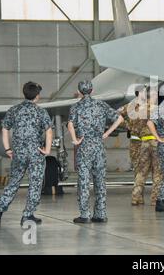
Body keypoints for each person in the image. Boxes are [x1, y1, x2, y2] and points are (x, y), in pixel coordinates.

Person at [0, 82, 52, 226]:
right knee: (35, 184)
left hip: (18, 154)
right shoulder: (41, 112)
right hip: (36, 154)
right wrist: (48, 150)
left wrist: (7, 149)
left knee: (13, 184)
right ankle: (27, 215)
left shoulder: (14, 110)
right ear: (37, 96)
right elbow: (49, 130)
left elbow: (5, 129)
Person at [68, 80, 124, 223]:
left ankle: (85, 215)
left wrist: (75, 140)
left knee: (84, 181)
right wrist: (106, 133)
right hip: (98, 146)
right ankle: (100, 214)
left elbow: (70, 125)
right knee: (100, 180)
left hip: (84, 146)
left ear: (79, 91)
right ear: (92, 91)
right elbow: (120, 118)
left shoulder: (76, 107)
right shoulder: (101, 104)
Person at [120, 86, 162, 206]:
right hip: (154, 142)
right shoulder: (156, 109)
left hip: (143, 143)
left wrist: (129, 126)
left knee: (141, 172)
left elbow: (124, 118)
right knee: (157, 172)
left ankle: (136, 197)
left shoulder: (138, 109)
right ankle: (155, 199)